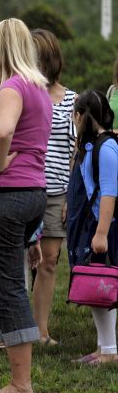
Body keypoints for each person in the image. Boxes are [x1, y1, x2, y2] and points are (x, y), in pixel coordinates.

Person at [0, 19, 51, 393]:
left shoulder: (12, 86)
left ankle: (21, 385)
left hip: (6, 194)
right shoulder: (39, 88)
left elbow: (3, 133)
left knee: (5, 287)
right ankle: (18, 380)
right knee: (6, 283)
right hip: (32, 194)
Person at [32, 29, 77, 347]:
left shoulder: (72, 99)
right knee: (16, 261)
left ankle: (41, 330)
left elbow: (77, 151)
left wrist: (70, 196)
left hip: (57, 190)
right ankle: (6, 330)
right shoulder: (20, 93)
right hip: (22, 187)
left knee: (49, 259)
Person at [67, 90, 118, 366]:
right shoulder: (89, 146)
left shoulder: (106, 147)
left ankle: (110, 349)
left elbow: (110, 192)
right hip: (91, 226)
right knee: (96, 286)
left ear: (81, 116)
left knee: (102, 285)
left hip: (104, 227)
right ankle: (103, 346)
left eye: (75, 115)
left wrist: (101, 232)